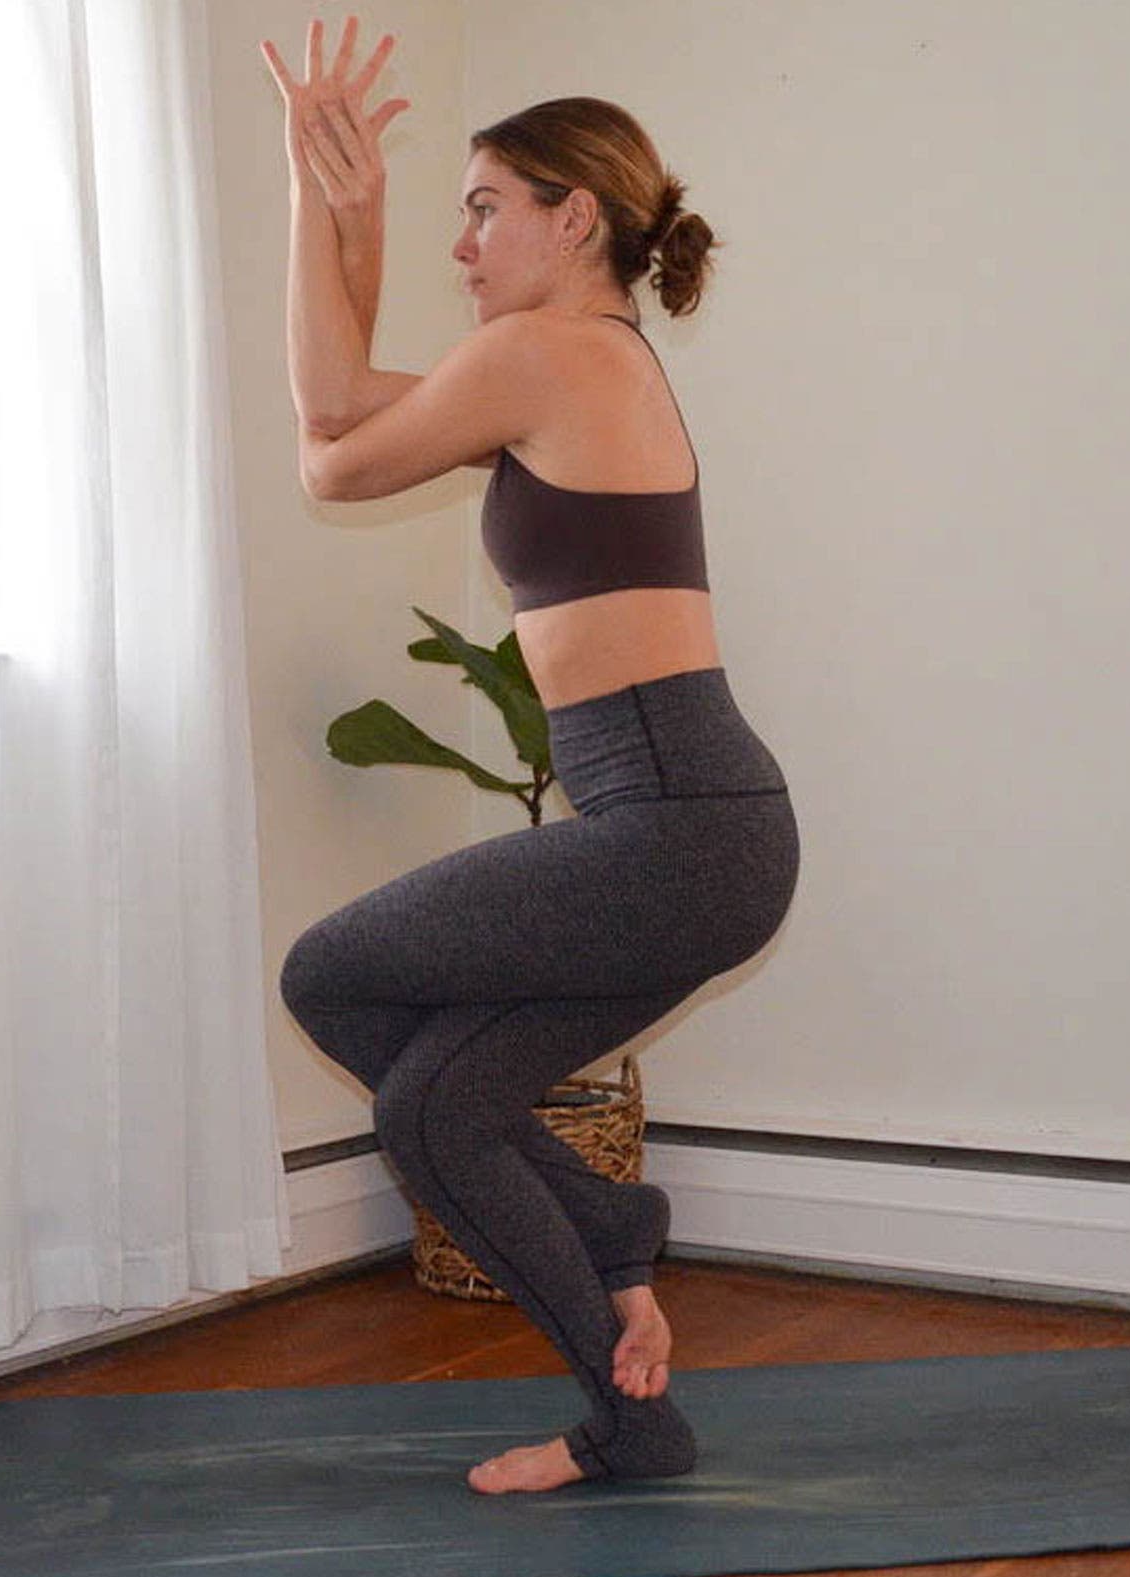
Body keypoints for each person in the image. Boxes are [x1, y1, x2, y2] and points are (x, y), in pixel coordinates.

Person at [262, 18, 799, 1495]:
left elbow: (322, 437)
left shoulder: (550, 356)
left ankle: (619, 1335)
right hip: (694, 830)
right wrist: (349, 210)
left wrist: (315, 197)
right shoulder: (560, 365)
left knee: (330, 980)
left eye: (484, 207)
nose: (465, 243)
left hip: (674, 824)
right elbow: (355, 388)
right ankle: (630, 1382)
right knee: (438, 1101)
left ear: (577, 219)